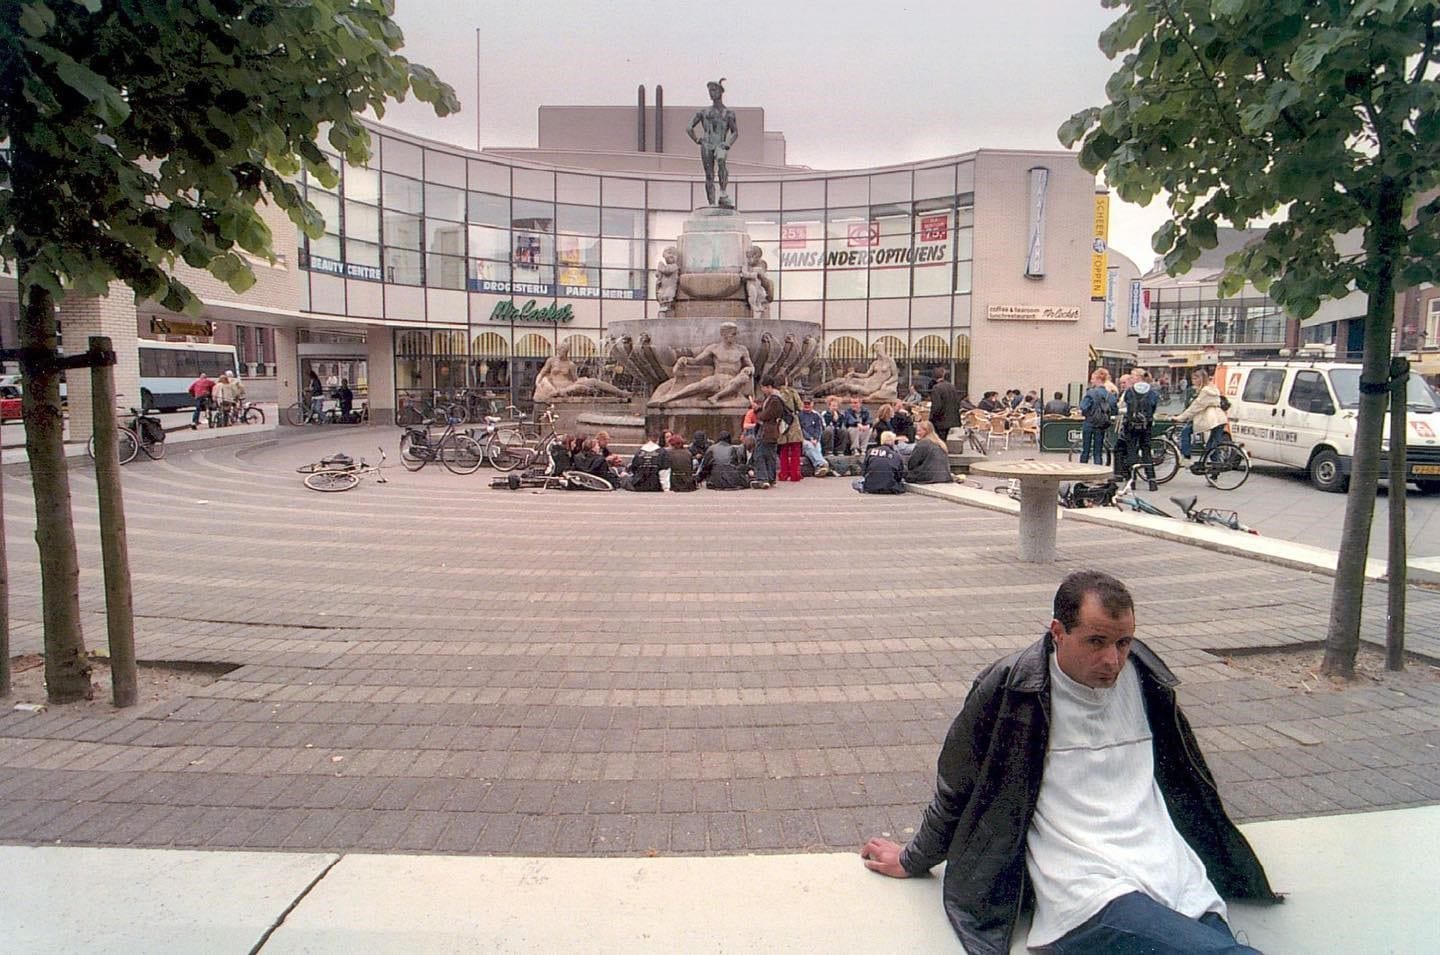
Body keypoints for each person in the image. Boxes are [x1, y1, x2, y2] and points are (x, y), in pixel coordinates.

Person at [860, 571, 1278, 954]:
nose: (1113, 660)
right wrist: (913, 858)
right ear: (1058, 632)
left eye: (1123, 642)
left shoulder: (1147, 679)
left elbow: (1189, 782)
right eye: (1096, 642)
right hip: (1082, 885)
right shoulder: (1011, 688)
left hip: (1166, 865)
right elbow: (956, 785)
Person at [687, 79, 739, 207]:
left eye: (714, 90)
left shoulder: (728, 113)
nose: (711, 93)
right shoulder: (704, 112)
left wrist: (728, 143)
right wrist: (697, 139)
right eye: (709, 91)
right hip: (707, 144)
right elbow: (689, 128)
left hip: (720, 144)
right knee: (709, 175)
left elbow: (735, 132)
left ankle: (723, 193)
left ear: (721, 92)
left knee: (721, 160)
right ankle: (711, 203)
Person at [533, 341, 631, 403]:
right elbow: (541, 373)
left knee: (593, 382)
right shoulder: (551, 360)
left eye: (561, 350)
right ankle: (620, 393)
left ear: (566, 351)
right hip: (559, 389)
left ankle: (620, 392)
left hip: (569, 386)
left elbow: (574, 379)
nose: (559, 352)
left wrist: (582, 382)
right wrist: (537, 383)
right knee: (588, 383)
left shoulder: (571, 364)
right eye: (558, 350)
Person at [1173, 369, 1230, 466]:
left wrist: (1180, 418)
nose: (1193, 381)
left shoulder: (1205, 392)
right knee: (1212, 445)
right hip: (1219, 419)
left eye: (1195, 378)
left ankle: (1186, 457)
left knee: (1185, 431)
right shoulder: (1212, 388)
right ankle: (1215, 470)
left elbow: (1195, 407)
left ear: (1201, 379)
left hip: (1211, 419)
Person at [1115, 371, 1160, 489]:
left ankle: (1132, 480)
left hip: (1131, 424)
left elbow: (1125, 405)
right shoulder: (1152, 392)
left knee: (1131, 451)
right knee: (1146, 451)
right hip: (1146, 425)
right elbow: (1154, 407)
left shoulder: (1130, 391)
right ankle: (1151, 480)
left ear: (1139, 377)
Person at [752, 376, 783, 489]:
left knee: (760, 454)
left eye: (763, 388)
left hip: (768, 430)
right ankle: (770, 478)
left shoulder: (774, 400)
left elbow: (766, 415)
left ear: (769, 387)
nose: (762, 390)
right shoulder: (774, 398)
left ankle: (763, 478)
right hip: (772, 430)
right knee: (770, 455)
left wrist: (757, 410)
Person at [1078, 371, 1116, 466]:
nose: (1091, 381)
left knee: (1085, 449)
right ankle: (1098, 471)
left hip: (1089, 422)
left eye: (1093, 379)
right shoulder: (1109, 394)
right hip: (1101, 424)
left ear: (1098, 379)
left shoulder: (1091, 393)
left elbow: (1083, 406)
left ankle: (1083, 470)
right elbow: (1114, 409)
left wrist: (1087, 414)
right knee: (1098, 451)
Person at [776, 377, 805, 482]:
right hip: (792, 422)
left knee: (783, 450)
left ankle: (784, 473)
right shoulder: (792, 392)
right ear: (786, 382)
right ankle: (795, 474)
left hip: (781, 423)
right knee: (795, 450)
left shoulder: (777, 394)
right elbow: (800, 407)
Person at [797, 397, 831, 476]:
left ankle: (819, 468)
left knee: (817, 447)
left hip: (814, 440)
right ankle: (822, 463)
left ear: (812, 404)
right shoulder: (799, 415)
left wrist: (815, 439)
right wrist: (810, 439)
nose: (807, 405)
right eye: (805, 404)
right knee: (808, 445)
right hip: (803, 439)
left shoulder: (816, 415)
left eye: (808, 404)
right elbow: (801, 429)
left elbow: (818, 429)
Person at [928, 368, 961, 440]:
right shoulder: (952, 386)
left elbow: (937, 406)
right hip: (951, 418)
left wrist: (931, 418)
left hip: (940, 420)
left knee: (938, 439)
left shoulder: (936, 388)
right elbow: (957, 402)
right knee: (944, 438)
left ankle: (941, 450)